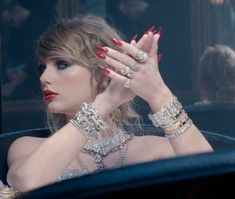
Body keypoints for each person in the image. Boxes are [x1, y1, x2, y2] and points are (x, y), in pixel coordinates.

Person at [3, 15, 213, 195]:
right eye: (42, 67)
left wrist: (159, 94)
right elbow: (30, 182)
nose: (44, 78)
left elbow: (212, 180)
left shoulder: (153, 149)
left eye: (62, 64)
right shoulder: (27, 148)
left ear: (105, 73)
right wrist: (106, 101)